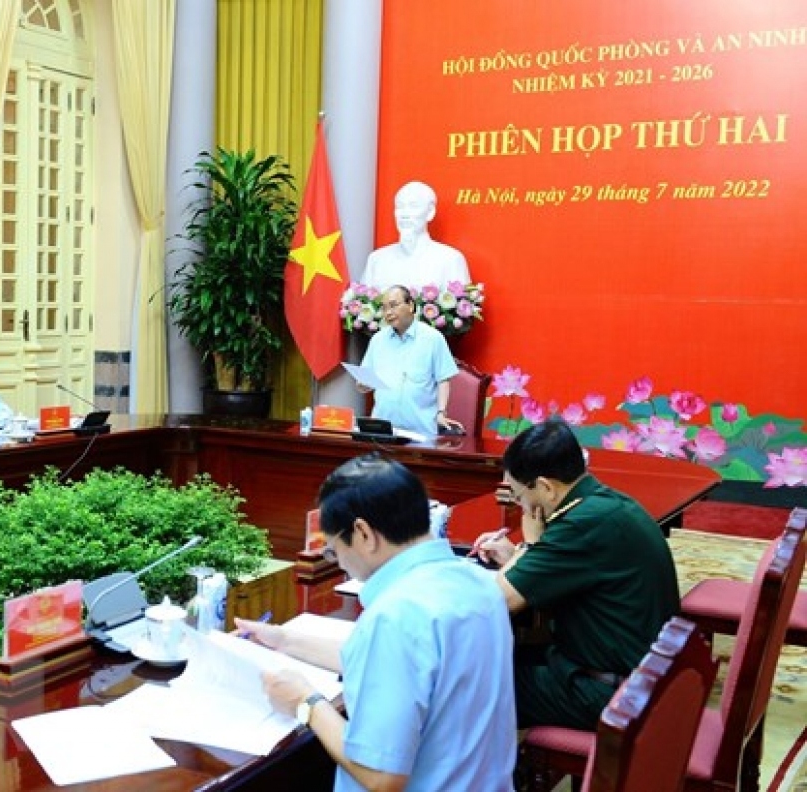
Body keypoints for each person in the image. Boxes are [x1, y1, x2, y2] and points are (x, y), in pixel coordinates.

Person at [236, 454, 515, 792]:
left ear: (363, 533)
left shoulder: (398, 614)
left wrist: (306, 704)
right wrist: (283, 640)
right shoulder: (476, 582)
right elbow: (404, 665)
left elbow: (381, 776)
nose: (336, 560)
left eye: (334, 549)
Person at [471, 419, 680, 731]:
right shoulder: (602, 503)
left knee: (470, 686)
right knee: (500, 658)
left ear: (545, 487)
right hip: (642, 677)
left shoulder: (582, 525)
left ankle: (476, 778)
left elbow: (497, 600)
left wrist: (529, 545)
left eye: (517, 496)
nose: (521, 506)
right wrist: (521, 553)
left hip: (616, 697)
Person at [357, 285, 464, 437]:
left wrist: (441, 412)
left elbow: (443, 379)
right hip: (382, 430)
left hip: (420, 432)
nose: (388, 312)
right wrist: (363, 384)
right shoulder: (378, 340)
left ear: (411, 305)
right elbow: (364, 383)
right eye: (384, 308)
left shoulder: (432, 338)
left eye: (393, 306)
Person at [361, 181, 470, 294]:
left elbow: (460, 307)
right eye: (400, 206)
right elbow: (362, 305)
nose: (404, 215)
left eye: (413, 206)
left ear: (430, 212)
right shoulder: (377, 259)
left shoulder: (450, 260)